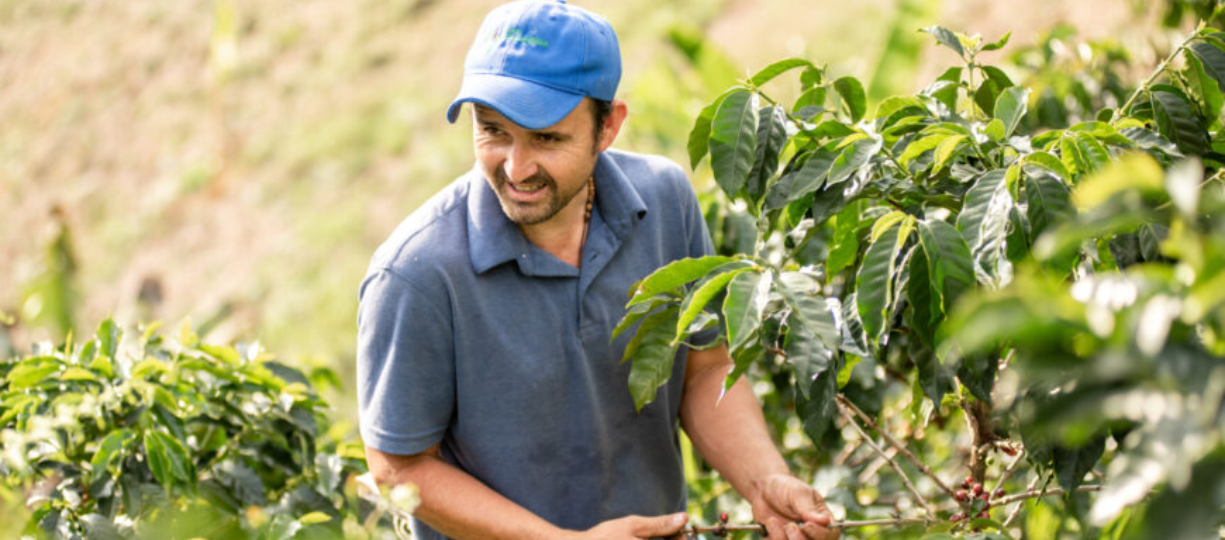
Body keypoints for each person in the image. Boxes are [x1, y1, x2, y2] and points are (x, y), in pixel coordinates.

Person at [356, 1, 840, 539]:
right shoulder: (418, 274)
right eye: (493, 131)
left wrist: (763, 480)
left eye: (546, 138)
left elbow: (703, 370)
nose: (516, 168)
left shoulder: (664, 203)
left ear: (608, 126)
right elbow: (398, 466)